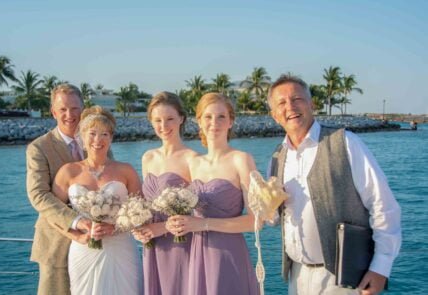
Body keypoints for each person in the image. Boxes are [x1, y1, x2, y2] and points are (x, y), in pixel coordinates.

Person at [266, 73, 401, 295]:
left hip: (343, 279)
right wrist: (266, 209)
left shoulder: (345, 143)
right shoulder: (277, 157)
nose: (290, 106)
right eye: (281, 102)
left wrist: (380, 268)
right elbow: (274, 218)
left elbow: (382, 204)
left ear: (311, 104)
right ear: (274, 115)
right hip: (296, 277)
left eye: (297, 98)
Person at [168, 93, 259, 295]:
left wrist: (203, 224)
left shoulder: (241, 160)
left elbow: (255, 222)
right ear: (198, 121)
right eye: (208, 117)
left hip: (229, 253)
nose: (214, 123)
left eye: (221, 117)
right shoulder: (193, 163)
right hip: (197, 253)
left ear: (231, 121)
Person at [52, 105, 142, 294]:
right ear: (82, 137)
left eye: (104, 134)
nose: (98, 140)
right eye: (92, 133)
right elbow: (53, 215)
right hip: (83, 249)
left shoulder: (126, 171)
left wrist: (116, 227)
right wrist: (78, 236)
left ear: (111, 138)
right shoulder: (68, 172)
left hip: (121, 247)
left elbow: (140, 211)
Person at [26, 84, 92, 295]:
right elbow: (38, 195)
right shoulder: (38, 148)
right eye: (63, 109)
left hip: (95, 242)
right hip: (56, 242)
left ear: (83, 109)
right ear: (53, 112)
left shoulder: (97, 141)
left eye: (74, 108)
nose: (69, 115)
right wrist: (76, 221)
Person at [132, 91, 198, 295]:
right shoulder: (148, 158)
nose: (164, 126)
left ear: (181, 119)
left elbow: (199, 211)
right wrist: (139, 228)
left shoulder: (192, 158)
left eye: (170, 119)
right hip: (153, 244)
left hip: (181, 243)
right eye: (158, 120)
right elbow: (147, 204)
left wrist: (162, 228)